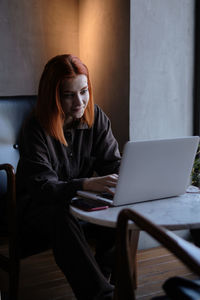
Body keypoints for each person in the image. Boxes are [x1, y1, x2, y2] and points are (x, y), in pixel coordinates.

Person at [16, 54, 121, 300]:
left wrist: (128, 176)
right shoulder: (35, 128)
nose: (79, 102)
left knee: (121, 200)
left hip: (75, 199)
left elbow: (112, 162)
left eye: (83, 91)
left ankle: (103, 274)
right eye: (68, 95)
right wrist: (86, 184)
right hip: (35, 207)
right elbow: (44, 188)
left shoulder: (95, 116)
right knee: (60, 213)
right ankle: (99, 295)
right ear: (53, 95)